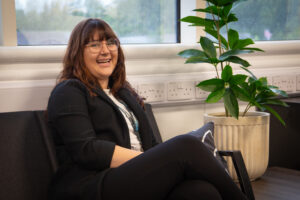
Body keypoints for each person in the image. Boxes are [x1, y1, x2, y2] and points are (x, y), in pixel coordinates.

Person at [47, 18, 247, 200]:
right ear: (77, 53)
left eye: (111, 42)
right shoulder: (69, 90)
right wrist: (149, 161)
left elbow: (152, 144)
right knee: (187, 146)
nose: (105, 50)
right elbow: (87, 151)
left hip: (137, 182)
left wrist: (154, 163)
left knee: (202, 192)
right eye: (94, 44)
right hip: (94, 185)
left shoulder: (124, 93)